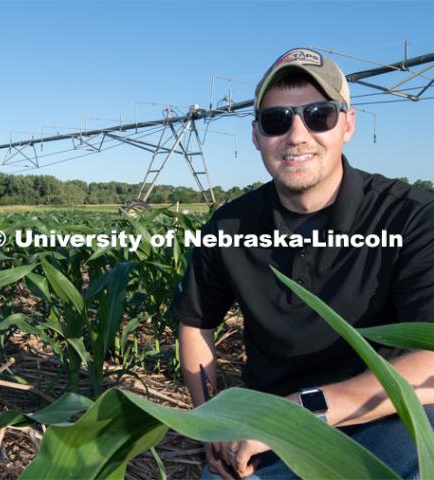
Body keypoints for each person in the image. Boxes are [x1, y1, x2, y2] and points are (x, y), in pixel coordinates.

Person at [169, 47, 434, 479]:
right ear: (256, 135)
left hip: (385, 419)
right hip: (268, 432)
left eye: (319, 115)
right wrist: (213, 418)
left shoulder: (411, 216)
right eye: (277, 121)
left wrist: (302, 410)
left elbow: (430, 361)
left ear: (347, 124)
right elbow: (196, 322)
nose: (297, 135)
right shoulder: (231, 224)